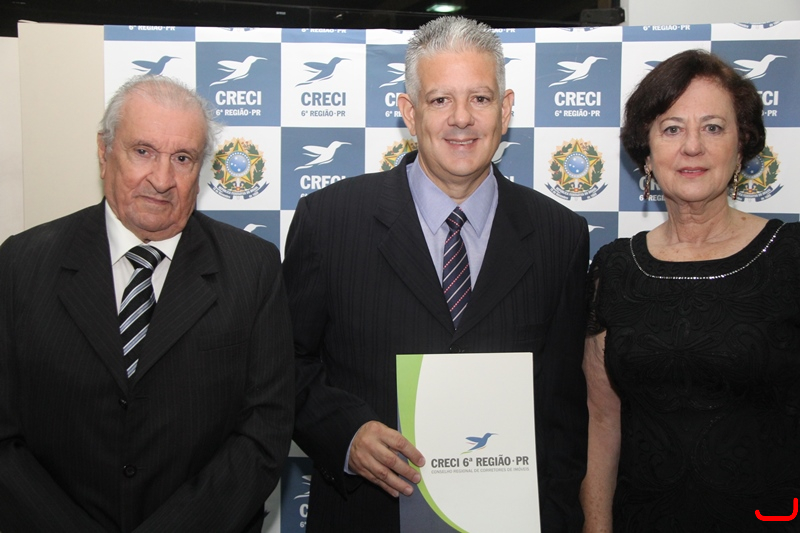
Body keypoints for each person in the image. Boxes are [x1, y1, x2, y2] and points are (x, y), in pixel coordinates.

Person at [284, 16, 589, 532]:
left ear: (506, 109)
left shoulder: (560, 235)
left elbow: (563, 415)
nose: (461, 118)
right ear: (410, 112)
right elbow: (282, 364)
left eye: (480, 98)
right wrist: (347, 435)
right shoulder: (329, 221)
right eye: (441, 99)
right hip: (368, 517)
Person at [0, 75, 294, 532]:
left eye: (182, 158)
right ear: (104, 152)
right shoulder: (23, 263)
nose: (161, 179)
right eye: (143, 151)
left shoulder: (253, 268)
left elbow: (264, 431)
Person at [581, 49, 800, 532]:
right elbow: (602, 420)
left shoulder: (790, 256)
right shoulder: (615, 267)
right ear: (647, 151)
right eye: (672, 128)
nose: (693, 147)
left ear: (742, 146)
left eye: (713, 128)